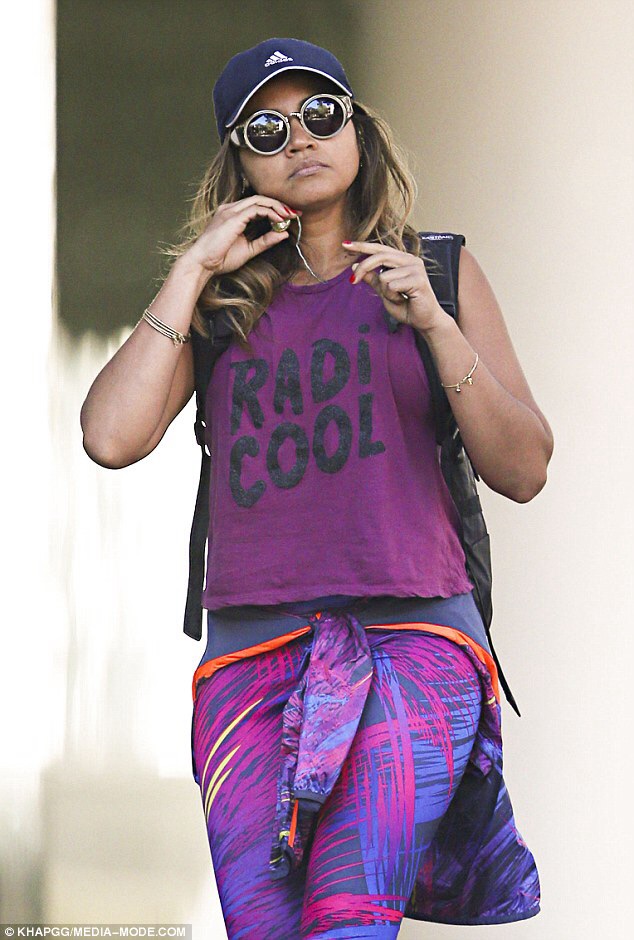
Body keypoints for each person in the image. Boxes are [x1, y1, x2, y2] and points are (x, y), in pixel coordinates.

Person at [80, 36, 553, 940]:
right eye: (266, 129)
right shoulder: (218, 306)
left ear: (358, 131)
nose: (299, 138)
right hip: (249, 658)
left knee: (347, 916)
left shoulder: (440, 272)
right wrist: (191, 271)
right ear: (239, 164)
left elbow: (525, 468)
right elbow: (109, 436)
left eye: (320, 115)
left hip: (415, 641)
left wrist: (436, 325)